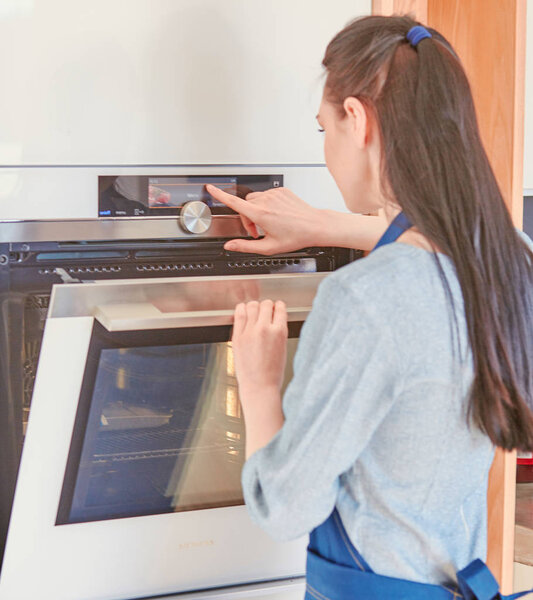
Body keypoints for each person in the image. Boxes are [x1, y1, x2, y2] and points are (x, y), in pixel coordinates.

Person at [207, 15, 533, 600]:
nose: (328, 151)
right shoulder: (511, 268)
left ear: (356, 119)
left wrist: (258, 384)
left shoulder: (365, 300)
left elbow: (284, 510)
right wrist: (321, 224)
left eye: (323, 129)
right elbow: (447, 244)